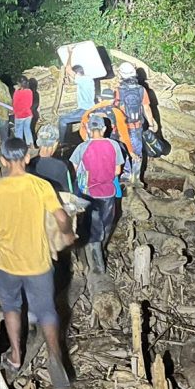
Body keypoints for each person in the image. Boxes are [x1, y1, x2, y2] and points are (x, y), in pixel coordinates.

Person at [0, 138, 75, 389]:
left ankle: (15, 355)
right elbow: (62, 217)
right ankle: (55, 355)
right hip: (38, 263)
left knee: (11, 307)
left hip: (8, 263)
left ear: (2, 160)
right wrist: (67, 234)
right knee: (46, 311)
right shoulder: (41, 186)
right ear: (26, 158)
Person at [69, 115, 123, 273]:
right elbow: (117, 171)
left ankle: (97, 264)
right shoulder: (114, 145)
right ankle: (102, 249)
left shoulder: (82, 147)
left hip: (89, 193)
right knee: (106, 224)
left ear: (88, 129)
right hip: (108, 192)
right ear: (105, 129)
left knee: (93, 226)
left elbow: (75, 166)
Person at [113, 62, 158, 184]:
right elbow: (146, 108)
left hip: (122, 127)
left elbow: (115, 108)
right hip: (137, 127)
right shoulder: (141, 89)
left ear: (121, 75)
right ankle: (136, 177)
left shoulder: (118, 90)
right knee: (137, 152)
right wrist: (152, 124)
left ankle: (126, 175)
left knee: (124, 150)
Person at [57, 48, 97, 144]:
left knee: (62, 120)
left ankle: (62, 143)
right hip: (86, 109)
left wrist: (70, 53)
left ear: (77, 73)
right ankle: (66, 142)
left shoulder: (84, 80)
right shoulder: (86, 80)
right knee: (65, 118)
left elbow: (68, 68)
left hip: (85, 110)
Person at [28, 125, 74, 193]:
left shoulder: (29, 164)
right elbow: (68, 191)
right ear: (55, 143)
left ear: (38, 142)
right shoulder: (63, 165)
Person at [12, 75, 35, 146]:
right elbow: (30, 103)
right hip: (28, 114)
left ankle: (20, 146)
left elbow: (15, 104)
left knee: (18, 132)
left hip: (19, 115)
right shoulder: (29, 91)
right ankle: (30, 145)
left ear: (19, 84)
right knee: (27, 130)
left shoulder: (17, 93)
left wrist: (16, 90)